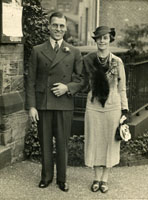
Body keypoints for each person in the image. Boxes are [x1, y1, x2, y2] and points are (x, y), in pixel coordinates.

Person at [26, 11, 84, 192]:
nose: (58, 29)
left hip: (64, 104)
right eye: (55, 25)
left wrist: (67, 88)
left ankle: (62, 179)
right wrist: (32, 106)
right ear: (49, 26)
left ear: (66, 29)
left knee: (62, 143)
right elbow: (31, 80)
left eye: (62, 26)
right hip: (44, 104)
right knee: (45, 142)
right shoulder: (37, 50)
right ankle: (46, 177)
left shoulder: (74, 52)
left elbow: (81, 80)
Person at [83, 26, 129, 193]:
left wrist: (125, 110)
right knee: (95, 140)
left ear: (110, 39)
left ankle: (105, 179)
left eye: (105, 37)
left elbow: (122, 87)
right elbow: (81, 82)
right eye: (99, 38)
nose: (102, 40)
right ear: (95, 40)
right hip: (93, 106)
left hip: (113, 107)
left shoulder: (117, 62)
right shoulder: (88, 60)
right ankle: (96, 177)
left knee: (110, 141)